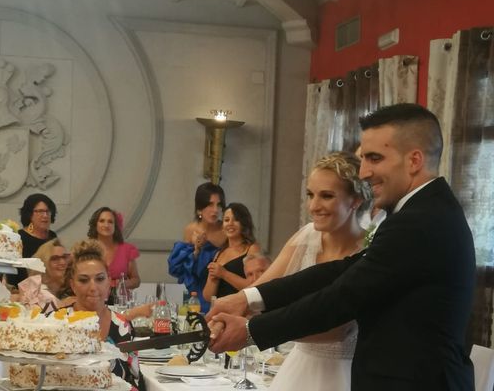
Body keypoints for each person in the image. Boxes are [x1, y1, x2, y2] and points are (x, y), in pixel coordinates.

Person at [207, 103, 476, 391]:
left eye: (374, 158)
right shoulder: (423, 211)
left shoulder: (422, 220)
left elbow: (342, 297)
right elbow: (342, 270)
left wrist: (251, 330)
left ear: (414, 160)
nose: (364, 172)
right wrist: (247, 298)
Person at [250, 152, 368, 391]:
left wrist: (255, 331)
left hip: (349, 375)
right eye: (310, 195)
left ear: (355, 200)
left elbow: (337, 330)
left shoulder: (371, 250)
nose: (314, 206)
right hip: (299, 371)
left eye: (326, 196)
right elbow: (258, 293)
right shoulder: (305, 238)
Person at [65, 239, 146, 391]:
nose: (93, 287)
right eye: (83, 280)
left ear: (109, 282)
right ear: (72, 285)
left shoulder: (122, 326)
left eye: (100, 279)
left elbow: (134, 379)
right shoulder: (54, 323)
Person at [168, 182, 226, 312]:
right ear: (200, 208)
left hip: (222, 294)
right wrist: (196, 250)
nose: (215, 210)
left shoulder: (226, 231)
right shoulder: (190, 230)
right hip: (196, 295)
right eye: (210, 204)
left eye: (219, 205)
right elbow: (178, 269)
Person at [202, 202, 260, 302]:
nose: (230, 223)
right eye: (226, 220)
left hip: (241, 312)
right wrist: (213, 278)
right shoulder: (219, 253)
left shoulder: (252, 249)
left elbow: (255, 287)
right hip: (218, 311)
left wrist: (224, 274)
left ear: (244, 223)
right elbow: (208, 297)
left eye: (235, 220)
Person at [87, 207, 141, 297]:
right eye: (102, 221)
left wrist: (122, 284)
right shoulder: (86, 249)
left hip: (121, 302)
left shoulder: (127, 250)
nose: (106, 225)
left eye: (110, 222)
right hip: (93, 299)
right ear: (95, 225)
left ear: (115, 226)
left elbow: (136, 280)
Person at [7, 193, 58, 287]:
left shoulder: (53, 236)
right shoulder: (19, 237)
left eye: (48, 211)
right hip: (21, 289)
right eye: (40, 211)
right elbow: (12, 269)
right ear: (30, 214)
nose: (45, 215)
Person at [16, 238, 73, 308]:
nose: (62, 262)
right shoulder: (33, 291)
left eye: (64, 257)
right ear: (43, 263)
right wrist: (61, 305)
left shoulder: (70, 287)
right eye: (55, 258)